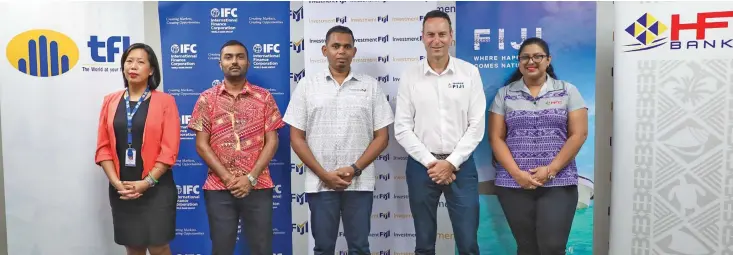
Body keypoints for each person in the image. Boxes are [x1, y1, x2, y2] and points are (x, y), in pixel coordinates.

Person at [283, 25, 393, 255]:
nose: (341, 51)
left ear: (354, 51)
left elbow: (382, 138)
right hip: (321, 184)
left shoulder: (370, 86)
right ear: (324, 50)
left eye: (346, 46)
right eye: (335, 46)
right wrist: (324, 175)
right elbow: (296, 137)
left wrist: (355, 169)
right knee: (323, 248)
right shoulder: (307, 86)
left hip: (359, 184)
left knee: (360, 248)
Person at [394, 10, 485, 255]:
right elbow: (402, 127)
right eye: (431, 34)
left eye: (442, 34)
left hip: (462, 167)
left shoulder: (469, 73)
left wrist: (451, 163)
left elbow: (476, 125)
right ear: (422, 37)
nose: (437, 40)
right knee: (424, 243)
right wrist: (432, 163)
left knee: (467, 243)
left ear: (451, 36)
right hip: (422, 167)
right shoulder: (410, 76)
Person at [488, 37, 588, 255]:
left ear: (548, 60)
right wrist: (517, 174)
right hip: (514, 183)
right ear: (519, 61)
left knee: (552, 246)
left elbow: (578, 134)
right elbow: (496, 138)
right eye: (525, 57)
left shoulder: (567, 91)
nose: (531, 61)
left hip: (559, 181)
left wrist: (550, 170)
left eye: (537, 56)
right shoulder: (504, 94)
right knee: (527, 248)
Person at [188, 40, 285, 255]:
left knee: (262, 248)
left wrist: (250, 178)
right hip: (219, 187)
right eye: (229, 57)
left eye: (240, 57)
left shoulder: (264, 97)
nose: (234, 61)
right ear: (220, 63)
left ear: (248, 62)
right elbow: (201, 145)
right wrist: (228, 178)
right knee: (222, 248)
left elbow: (273, 141)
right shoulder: (207, 99)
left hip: (258, 184)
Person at [95, 43, 181, 255]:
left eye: (140, 62)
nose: (133, 66)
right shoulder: (110, 101)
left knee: (159, 246)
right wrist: (117, 183)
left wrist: (147, 182)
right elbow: (103, 147)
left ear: (151, 70)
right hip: (122, 188)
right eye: (129, 61)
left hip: (156, 187)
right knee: (133, 247)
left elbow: (169, 150)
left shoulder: (165, 102)